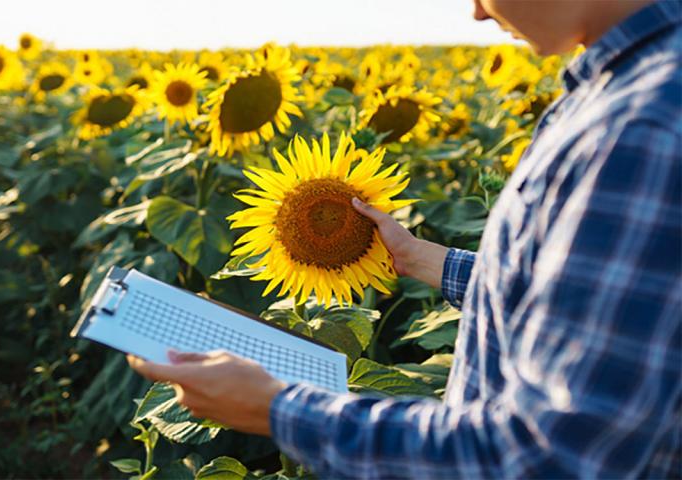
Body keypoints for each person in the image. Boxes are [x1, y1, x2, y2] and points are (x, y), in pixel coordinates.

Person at [127, 0, 682, 477]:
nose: (477, 10)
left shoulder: (640, 128)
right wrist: (428, 260)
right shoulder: (621, 89)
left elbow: (545, 460)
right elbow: (576, 303)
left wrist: (279, 409)